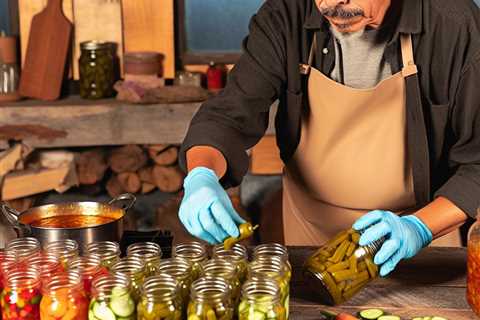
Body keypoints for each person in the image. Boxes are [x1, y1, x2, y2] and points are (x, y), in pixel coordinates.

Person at [178, 0, 480, 276]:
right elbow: (228, 116)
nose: (333, 3)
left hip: (418, 239)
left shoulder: (452, 24)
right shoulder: (286, 15)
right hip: (309, 234)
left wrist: (418, 228)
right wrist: (201, 176)